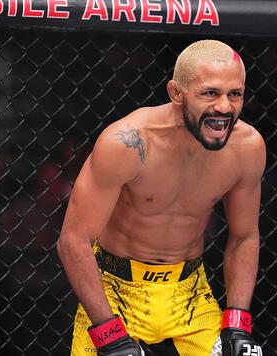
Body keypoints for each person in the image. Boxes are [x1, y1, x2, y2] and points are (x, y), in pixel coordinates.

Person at [57, 39, 266, 356]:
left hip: (190, 295)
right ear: (176, 93)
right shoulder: (127, 142)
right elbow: (74, 241)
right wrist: (107, 332)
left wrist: (238, 323)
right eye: (210, 93)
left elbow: (245, 236)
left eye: (234, 94)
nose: (225, 107)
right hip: (115, 291)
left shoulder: (247, 147)